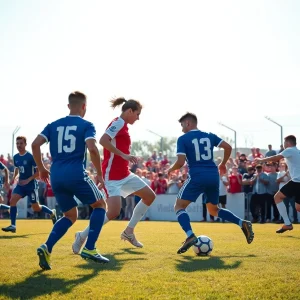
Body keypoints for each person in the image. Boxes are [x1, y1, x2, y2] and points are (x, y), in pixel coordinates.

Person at [31, 91, 108, 270]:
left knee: (70, 215)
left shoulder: (53, 125)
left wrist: (42, 168)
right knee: (100, 205)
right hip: (75, 173)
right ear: (84, 107)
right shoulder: (87, 125)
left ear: (68, 106)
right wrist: (99, 174)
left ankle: (47, 247)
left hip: (56, 176)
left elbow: (35, 145)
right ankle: (90, 248)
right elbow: (93, 149)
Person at [72, 97, 156, 254]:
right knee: (113, 212)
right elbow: (103, 141)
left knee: (150, 196)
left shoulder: (123, 125)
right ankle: (81, 236)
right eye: (137, 114)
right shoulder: (118, 122)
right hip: (112, 177)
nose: (138, 118)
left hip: (125, 174)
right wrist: (124, 155)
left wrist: (124, 156)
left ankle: (129, 231)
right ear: (129, 111)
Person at [167, 112, 254, 254]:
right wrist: (223, 164)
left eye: (182, 125)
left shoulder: (183, 138)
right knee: (214, 210)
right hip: (213, 176)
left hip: (197, 175)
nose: (182, 128)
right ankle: (242, 223)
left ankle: (190, 235)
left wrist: (170, 169)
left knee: (179, 206)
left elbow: (181, 162)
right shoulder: (209, 135)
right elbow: (228, 147)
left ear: (188, 123)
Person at [2, 136, 57, 233]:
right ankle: (13, 225)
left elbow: (39, 172)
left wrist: (29, 179)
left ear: (25, 144)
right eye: (17, 143)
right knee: (12, 200)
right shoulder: (15, 157)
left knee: (36, 207)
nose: (19, 145)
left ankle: (52, 212)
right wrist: (15, 177)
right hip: (20, 185)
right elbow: (17, 168)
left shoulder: (31, 157)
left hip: (31, 185)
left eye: (21, 143)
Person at [255, 135, 300, 233]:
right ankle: (287, 224)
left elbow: (276, 157)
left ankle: (287, 224)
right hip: (297, 181)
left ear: (287, 143)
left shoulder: (290, 150)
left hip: (297, 181)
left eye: (284, 143)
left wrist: (261, 160)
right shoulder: (297, 151)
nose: (283, 145)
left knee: (277, 197)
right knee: (298, 208)